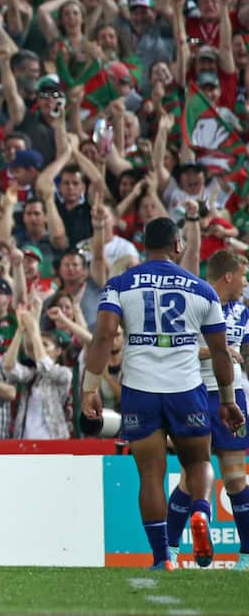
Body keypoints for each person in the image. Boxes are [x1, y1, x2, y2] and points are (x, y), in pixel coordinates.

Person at [82, 218, 244, 571]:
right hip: (186, 389)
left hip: (140, 390)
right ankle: (200, 512)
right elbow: (220, 351)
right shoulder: (202, 289)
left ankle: (161, 558)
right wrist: (228, 400)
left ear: (144, 246)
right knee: (198, 463)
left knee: (151, 475)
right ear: (177, 245)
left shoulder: (119, 284)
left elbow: (105, 335)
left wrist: (90, 388)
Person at [162, 249, 249, 570]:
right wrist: (215, 350)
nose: (245, 283)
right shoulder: (193, 303)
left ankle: (244, 556)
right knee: (191, 477)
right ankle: (171, 551)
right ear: (228, 276)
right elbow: (177, 347)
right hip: (196, 394)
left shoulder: (243, 312)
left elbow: (243, 353)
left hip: (232, 395)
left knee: (235, 477)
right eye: (243, 277)